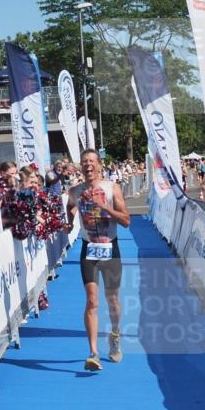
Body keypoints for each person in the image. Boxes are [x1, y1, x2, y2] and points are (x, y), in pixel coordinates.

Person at [68, 149, 131, 371]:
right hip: (89, 249)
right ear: (80, 166)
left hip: (110, 248)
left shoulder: (111, 188)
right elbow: (69, 208)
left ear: (99, 165)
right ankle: (93, 352)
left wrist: (104, 206)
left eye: (92, 161)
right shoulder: (75, 191)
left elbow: (126, 220)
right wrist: (69, 220)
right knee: (92, 300)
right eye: (84, 162)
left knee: (112, 299)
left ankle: (115, 333)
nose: (88, 165)